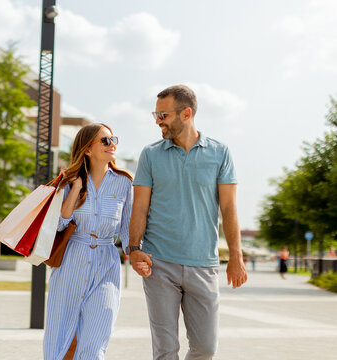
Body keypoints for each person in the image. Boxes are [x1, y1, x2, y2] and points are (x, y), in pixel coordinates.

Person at [128, 85, 248, 359]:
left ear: (186, 113)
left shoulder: (220, 153)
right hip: (159, 263)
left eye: (163, 114)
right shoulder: (150, 154)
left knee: (206, 348)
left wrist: (236, 256)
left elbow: (228, 208)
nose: (157, 121)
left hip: (203, 264)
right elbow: (140, 206)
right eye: (155, 114)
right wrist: (134, 248)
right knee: (165, 349)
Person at [44, 123, 133, 360]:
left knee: (95, 342)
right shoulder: (68, 182)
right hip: (71, 263)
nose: (111, 144)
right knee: (61, 339)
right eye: (104, 140)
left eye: (113, 139)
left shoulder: (124, 183)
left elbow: (127, 230)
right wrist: (76, 188)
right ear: (87, 149)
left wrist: (137, 255)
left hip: (106, 265)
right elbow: (61, 224)